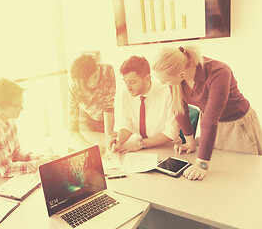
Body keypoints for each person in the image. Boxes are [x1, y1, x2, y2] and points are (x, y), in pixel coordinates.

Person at [152, 46, 262, 180]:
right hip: (213, 127)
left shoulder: (219, 72)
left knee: (240, 176)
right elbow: (180, 110)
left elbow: (210, 119)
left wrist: (202, 164)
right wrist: (189, 141)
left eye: (165, 80)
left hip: (238, 126)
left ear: (181, 74)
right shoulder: (177, 76)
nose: (162, 83)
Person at [110, 56, 179, 154]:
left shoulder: (168, 92)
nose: (128, 87)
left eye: (132, 82)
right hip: (140, 149)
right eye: (125, 82)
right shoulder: (127, 93)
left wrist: (141, 144)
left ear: (147, 78)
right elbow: (127, 124)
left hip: (167, 148)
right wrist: (119, 141)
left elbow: (171, 132)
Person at [68, 54, 116, 149]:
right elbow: (73, 128)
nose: (93, 83)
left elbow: (108, 104)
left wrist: (107, 134)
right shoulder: (75, 87)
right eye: (87, 81)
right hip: (86, 119)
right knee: (93, 151)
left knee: (108, 148)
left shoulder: (108, 70)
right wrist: (91, 148)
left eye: (95, 76)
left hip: (106, 115)